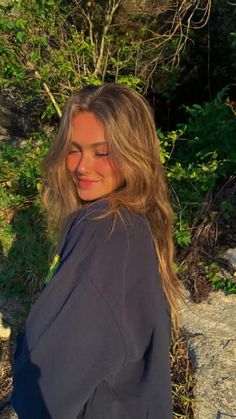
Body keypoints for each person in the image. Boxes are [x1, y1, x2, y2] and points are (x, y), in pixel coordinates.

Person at [11, 83, 182, 419]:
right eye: (73, 150)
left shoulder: (106, 231)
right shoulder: (132, 221)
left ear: (133, 153)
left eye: (102, 152)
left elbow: (47, 388)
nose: (81, 167)